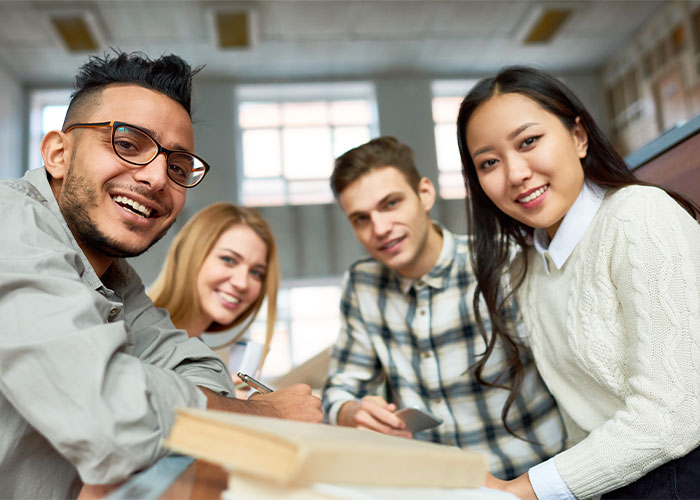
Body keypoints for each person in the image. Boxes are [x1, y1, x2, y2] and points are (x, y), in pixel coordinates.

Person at [0, 51, 321, 499]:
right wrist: (269, 414)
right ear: (58, 153)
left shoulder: (116, 280)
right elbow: (109, 416)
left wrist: (163, 401)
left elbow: (205, 372)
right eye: (128, 144)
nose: (155, 178)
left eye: (178, 168)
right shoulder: (9, 225)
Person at [457, 66, 700, 499]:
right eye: (489, 162)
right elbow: (581, 422)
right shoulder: (528, 267)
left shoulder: (638, 215)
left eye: (528, 141)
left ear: (579, 137)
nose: (515, 174)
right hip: (618, 481)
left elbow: (675, 416)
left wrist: (523, 491)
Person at [321, 136, 566, 480]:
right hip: (436, 486)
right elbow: (340, 389)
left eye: (390, 204)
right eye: (361, 219)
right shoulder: (363, 285)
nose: (380, 228)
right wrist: (350, 411)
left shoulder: (500, 261)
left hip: (528, 482)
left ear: (424, 193)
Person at [149, 202, 279, 378]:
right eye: (228, 259)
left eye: (256, 272)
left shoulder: (202, 360)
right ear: (190, 254)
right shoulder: (131, 329)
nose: (242, 283)